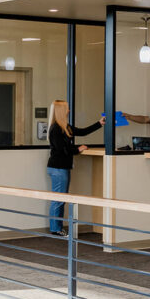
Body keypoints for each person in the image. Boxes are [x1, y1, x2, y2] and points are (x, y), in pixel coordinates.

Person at [45, 99, 101, 236]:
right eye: (67, 108)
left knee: (60, 198)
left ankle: (56, 228)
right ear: (61, 111)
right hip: (58, 168)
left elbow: (82, 132)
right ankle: (55, 229)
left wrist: (100, 123)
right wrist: (78, 149)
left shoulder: (65, 127)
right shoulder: (56, 129)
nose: (69, 111)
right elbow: (63, 149)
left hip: (61, 168)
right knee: (59, 199)